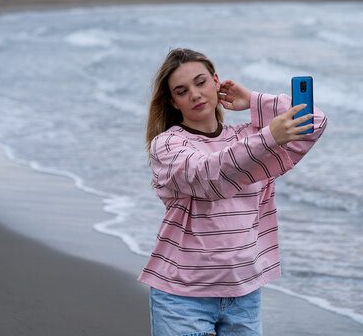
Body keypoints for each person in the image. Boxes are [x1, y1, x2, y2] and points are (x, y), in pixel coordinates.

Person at [139, 48, 327, 335]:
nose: (195, 94)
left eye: (201, 82)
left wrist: (253, 100)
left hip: (244, 292)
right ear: (172, 101)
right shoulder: (167, 145)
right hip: (183, 294)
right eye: (182, 90)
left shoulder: (247, 136)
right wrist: (269, 137)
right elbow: (209, 178)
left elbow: (315, 121)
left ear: (216, 81)